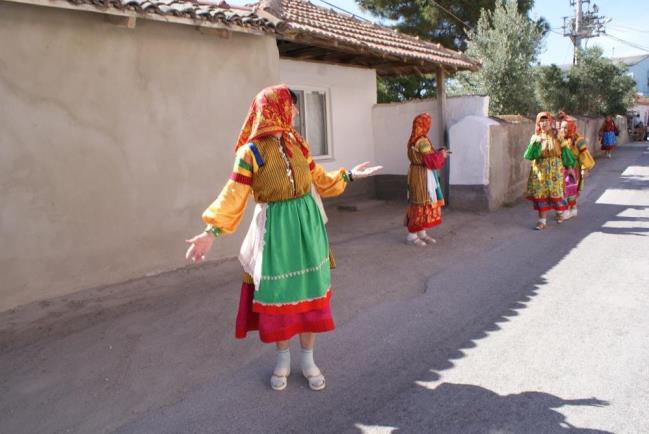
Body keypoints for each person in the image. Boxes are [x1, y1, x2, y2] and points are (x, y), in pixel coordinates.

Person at [184, 85, 382, 391]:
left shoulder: (298, 144)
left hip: (308, 229)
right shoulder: (249, 154)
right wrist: (211, 231)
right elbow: (233, 195)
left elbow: (321, 180)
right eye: (293, 106)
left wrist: (350, 175)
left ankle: (308, 359)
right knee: (280, 299)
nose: (297, 112)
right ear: (276, 108)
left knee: (311, 297)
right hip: (276, 233)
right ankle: (282, 359)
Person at [524, 112, 576, 230]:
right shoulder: (535, 137)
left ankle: (559, 213)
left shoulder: (557, 135)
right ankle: (542, 221)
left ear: (550, 121)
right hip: (540, 170)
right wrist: (534, 144)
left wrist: (570, 167)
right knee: (540, 194)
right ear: (538, 123)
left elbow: (565, 152)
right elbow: (529, 156)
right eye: (541, 121)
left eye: (545, 120)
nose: (543, 123)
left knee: (556, 193)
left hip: (555, 169)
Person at [404, 113, 448, 246]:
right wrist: (442, 155)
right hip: (422, 176)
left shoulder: (414, 139)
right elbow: (431, 161)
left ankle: (421, 233)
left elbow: (426, 156)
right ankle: (412, 236)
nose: (429, 125)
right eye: (428, 123)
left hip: (417, 173)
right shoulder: (422, 141)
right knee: (420, 204)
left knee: (423, 203)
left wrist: (437, 152)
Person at [557, 116, 595, 220]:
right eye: (562, 127)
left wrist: (584, 168)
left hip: (574, 169)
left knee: (570, 190)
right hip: (561, 168)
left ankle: (570, 209)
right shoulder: (559, 138)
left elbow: (584, 155)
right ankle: (566, 210)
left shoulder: (579, 140)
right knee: (562, 190)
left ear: (571, 128)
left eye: (566, 128)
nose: (563, 130)